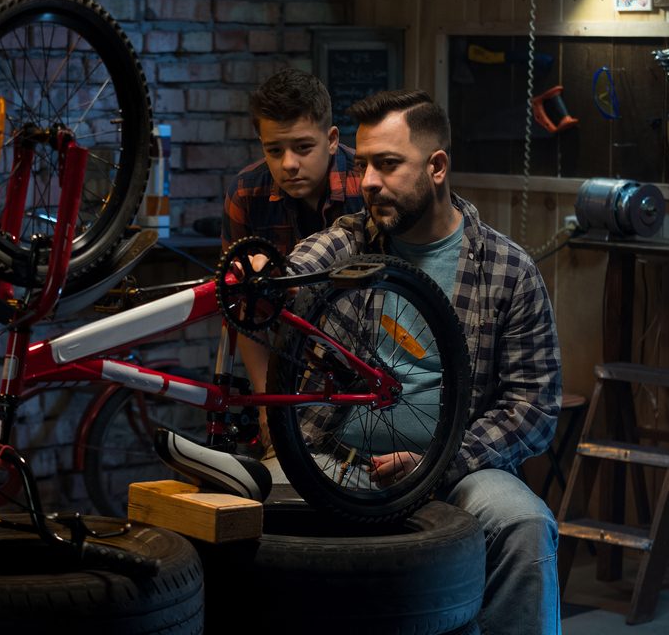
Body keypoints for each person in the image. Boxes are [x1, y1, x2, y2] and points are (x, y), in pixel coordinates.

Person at [283, 89, 563, 635]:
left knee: (525, 524)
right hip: (332, 457)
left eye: (387, 165)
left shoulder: (508, 270)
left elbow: (534, 406)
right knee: (233, 506)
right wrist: (269, 272)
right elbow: (304, 264)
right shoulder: (353, 241)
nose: (366, 182)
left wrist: (439, 463)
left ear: (436, 167)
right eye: (361, 164)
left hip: (457, 471)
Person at [221, 68, 362, 414]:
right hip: (291, 356)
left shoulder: (368, 182)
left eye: (303, 147)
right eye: (274, 150)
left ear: (331, 139)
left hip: (369, 355)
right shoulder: (246, 192)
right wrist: (267, 401)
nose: (289, 164)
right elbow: (241, 307)